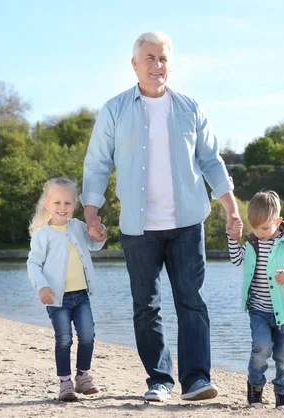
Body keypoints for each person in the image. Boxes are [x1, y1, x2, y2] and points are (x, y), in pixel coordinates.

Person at [81, 31, 243, 402]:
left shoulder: (190, 108)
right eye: (150, 58)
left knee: (192, 301)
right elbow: (97, 163)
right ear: (135, 64)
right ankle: (159, 379)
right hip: (139, 229)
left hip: (187, 224)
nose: (157, 65)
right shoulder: (115, 109)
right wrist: (92, 213)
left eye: (164, 58)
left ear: (171, 63)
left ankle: (197, 379)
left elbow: (211, 162)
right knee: (146, 306)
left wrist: (231, 208)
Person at [227, 190, 284, 411]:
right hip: (259, 309)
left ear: (278, 221)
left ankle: (281, 394)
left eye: (264, 228)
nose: (259, 233)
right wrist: (233, 239)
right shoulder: (253, 243)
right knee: (261, 348)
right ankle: (255, 389)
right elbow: (236, 260)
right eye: (255, 228)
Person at [27, 178, 106, 402]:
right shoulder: (43, 235)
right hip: (56, 298)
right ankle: (65, 383)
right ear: (47, 205)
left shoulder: (78, 227)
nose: (63, 208)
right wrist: (41, 286)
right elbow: (33, 264)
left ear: (74, 205)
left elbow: (94, 243)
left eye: (68, 203)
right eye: (57, 203)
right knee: (63, 339)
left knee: (88, 336)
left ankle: (83, 376)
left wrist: (101, 234)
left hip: (81, 296)